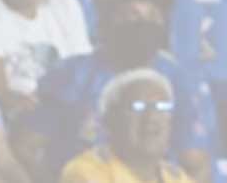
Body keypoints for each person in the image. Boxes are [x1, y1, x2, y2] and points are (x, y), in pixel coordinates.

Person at [33, 0, 217, 183]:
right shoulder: (72, 73)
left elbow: (196, 164)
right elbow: (28, 148)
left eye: (153, 16)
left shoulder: (181, 80)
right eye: (132, 15)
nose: (143, 24)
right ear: (106, 23)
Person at [58, 68, 193, 183]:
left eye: (162, 107)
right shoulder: (87, 173)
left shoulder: (177, 178)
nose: (151, 117)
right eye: (138, 107)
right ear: (110, 120)